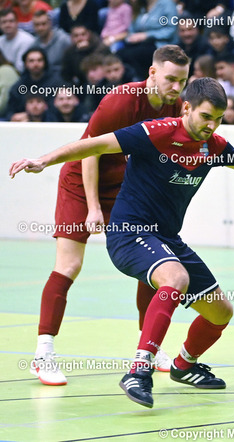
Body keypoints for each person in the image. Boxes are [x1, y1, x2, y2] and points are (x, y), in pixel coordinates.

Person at [10, 77, 234, 409]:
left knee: (220, 312)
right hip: (129, 233)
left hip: (167, 238)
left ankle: (184, 364)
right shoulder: (154, 133)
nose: (211, 125)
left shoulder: (213, 147)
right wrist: (43, 159)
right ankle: (139, 370)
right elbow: (94, 144)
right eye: (206, 116)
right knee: (175, 278)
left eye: (218, 119)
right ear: (186, 109)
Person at [26, 45, 191, 386]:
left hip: (122, 185)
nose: (176, 87)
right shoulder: (121, 100)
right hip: (80, 180)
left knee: (152, 262)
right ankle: (43, 354)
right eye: (171, 79)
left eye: (182, 81)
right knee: (69, 265)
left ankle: (150, 348)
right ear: (152, 73)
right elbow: (90, 151)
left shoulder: (176, 106)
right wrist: (93, 207)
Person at [31, 10, 72, 77]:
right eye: (37, 25)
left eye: (43, 24)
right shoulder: (34, 45)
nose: (40, 28)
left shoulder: (64, 40)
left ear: (50, 23)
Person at [0, 8, 36, 73]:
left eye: (11, 21)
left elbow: (20, 69)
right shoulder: (1, 40)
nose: (7, 25)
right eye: (4, 22)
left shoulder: (26, 40)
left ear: (17, 22)